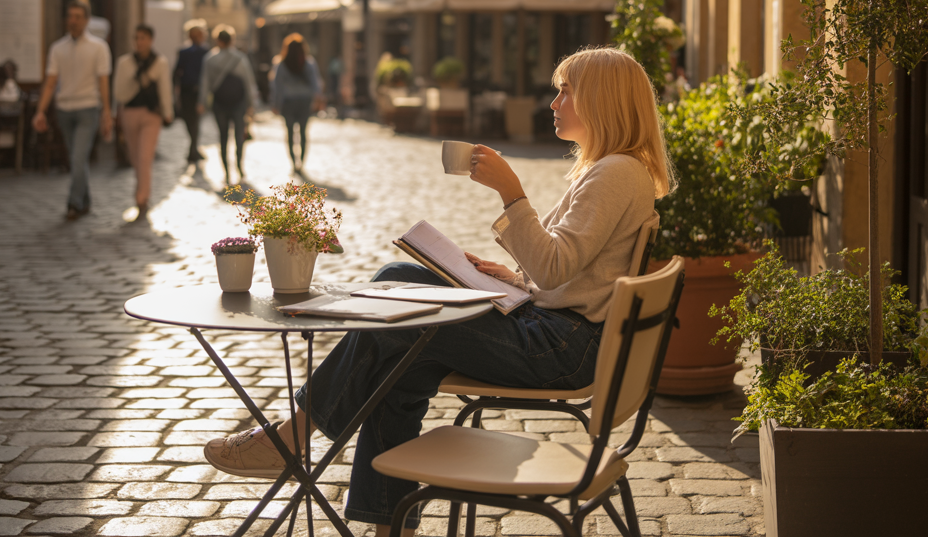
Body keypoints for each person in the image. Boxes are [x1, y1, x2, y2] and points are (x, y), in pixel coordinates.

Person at [201, 47, 675, 536]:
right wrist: (511, 278)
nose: (553, 102)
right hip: (555, 331)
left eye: (565, 91)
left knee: (400, 307)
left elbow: (557, 268)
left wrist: (511, 191)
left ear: (602, 101)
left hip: (558, 348)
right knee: (399, 337)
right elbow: (577, 273)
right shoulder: (613, 169)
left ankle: (290, 438)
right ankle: (382, 521)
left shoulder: (616, 172)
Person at [33, 2, 113, 220]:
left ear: (86, 20)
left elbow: (103, 82)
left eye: (78, 16)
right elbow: (50, 82)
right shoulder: (57, 48)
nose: (73, 20)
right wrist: (40, 111)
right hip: (64, 111)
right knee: (76, 158)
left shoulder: (99, 47)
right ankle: (85, 200)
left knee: (78, 158)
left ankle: (73, 203)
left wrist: (107, 112)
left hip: (88, 109)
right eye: (70, 16)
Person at [115, 24, 174, 221]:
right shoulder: (125, 63)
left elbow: (165, 88)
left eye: (143, 38)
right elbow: (119, 93)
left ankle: (142, 198)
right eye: (137, 38)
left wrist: (168, 112)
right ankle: (140, 189)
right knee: (134, 156)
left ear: (150, 40)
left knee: (144, 156)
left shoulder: (159, 62)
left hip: (151, 115)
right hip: (130, 112)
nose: (139, 42)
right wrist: (137, 78)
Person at [199, 25, 257, 187]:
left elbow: (205, 83)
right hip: (238, 103)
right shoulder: (240, 59)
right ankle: (239, 167)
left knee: (223, 137)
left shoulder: (210, 59)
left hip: (219, 103)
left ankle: (226, 171)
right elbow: (249, 83)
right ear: (232, 40)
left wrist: (202, 103)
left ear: (218, 40)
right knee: (239, 137)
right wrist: (252, 105)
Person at [269, 34, 322, 173]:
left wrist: (275, 104)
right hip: (305, 101)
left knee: (290, 133)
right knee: (304, 132)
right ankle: (302, 162)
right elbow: (315, 84)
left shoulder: (281, 64)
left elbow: (277, 86)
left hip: (288, 101)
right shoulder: (308, 63)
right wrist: (318, 99)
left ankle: (293, 161)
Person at [174, 19, 209, 164]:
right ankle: (193, 148)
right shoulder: (186, 52)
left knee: (194, 120)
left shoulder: (206, 51)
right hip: (188, 90)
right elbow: (177, 72)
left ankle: (193, 148)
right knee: (191, 120)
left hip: (197, 91)